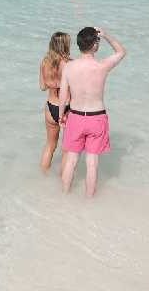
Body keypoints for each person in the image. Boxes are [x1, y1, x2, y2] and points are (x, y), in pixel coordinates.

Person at [59, 27, 127, 196]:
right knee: (92, 163)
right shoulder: (102, 66)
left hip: (75, 116)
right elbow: (121, 51)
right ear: (95, 45)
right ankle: (90, 200)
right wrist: (105, 35)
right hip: (96, 118)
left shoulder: (68, 67)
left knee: (71, 160)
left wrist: (61, 115)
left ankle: (64, 196)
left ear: (79, 44)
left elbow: (63, 95)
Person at [39, 31, 72, 173]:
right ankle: (62, 183)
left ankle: (42, 177)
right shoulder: (70, 63)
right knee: (67, 149)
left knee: (50, 145)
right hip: (68, 108)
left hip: (50, 106)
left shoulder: (44, 62)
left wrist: (54, 83)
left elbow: (42, 86)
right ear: (65, 45)